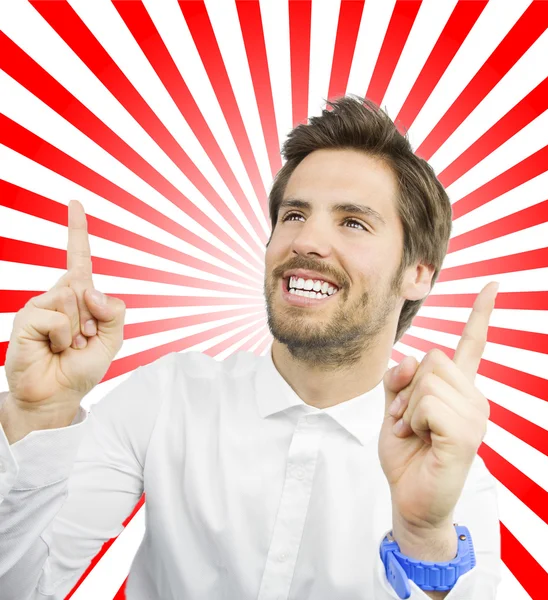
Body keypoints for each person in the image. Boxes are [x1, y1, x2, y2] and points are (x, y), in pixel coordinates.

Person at [0, 96, 501, 599]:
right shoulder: (169, 397)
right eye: (294, 215)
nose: (306, 241)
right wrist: (36, 416)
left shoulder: (449, 474)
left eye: (353, 222)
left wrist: (423, 537)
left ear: (418, 273)